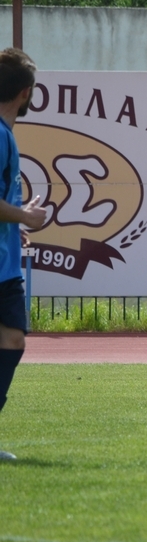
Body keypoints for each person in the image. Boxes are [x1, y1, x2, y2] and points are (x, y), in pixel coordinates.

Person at [0, 47, 47, 461]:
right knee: (11, 339)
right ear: (25, 92)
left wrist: (16, 225)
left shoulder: (5, 133)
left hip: (5, 263)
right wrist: (26, 216)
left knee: (12, 338)